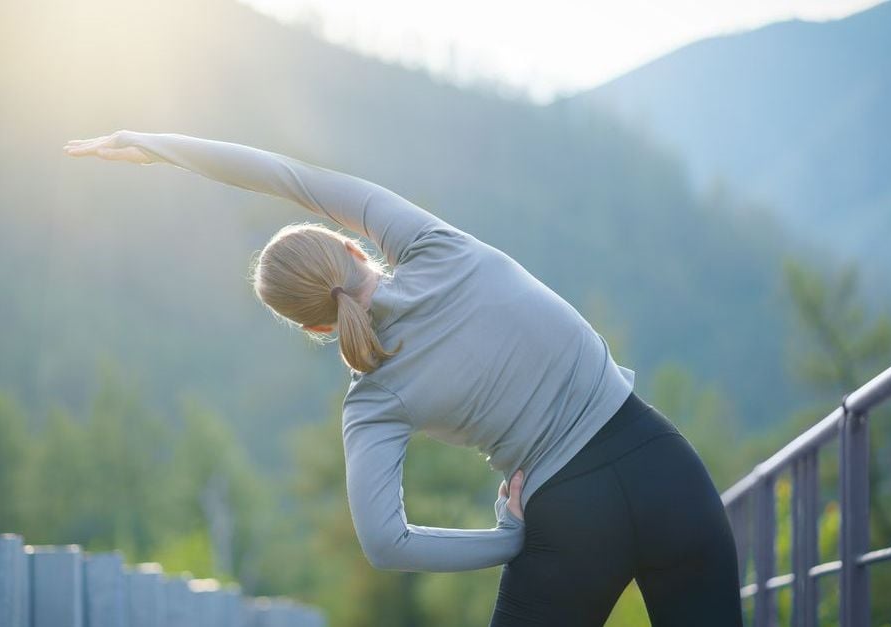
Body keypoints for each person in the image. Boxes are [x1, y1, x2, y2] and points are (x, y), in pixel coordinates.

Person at [64, 130, 744, 626]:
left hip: (565, 522)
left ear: (314, 329)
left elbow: (385, 542)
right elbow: (286, 176)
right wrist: (153, 143)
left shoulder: (373, 402)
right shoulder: (427, 243)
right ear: (353, 243)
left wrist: (512, 535)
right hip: (664, 467)